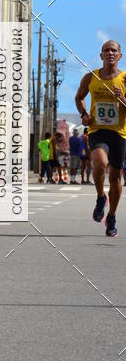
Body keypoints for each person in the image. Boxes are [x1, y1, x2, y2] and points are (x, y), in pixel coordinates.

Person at [75, 40, 126, 237]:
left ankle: (111, 216)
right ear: (101, 55)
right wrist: (84, 115)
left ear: (119, 55)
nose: (110, 53)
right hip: (97, 130)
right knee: (99, 164)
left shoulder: (124, 79)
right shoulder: (91, 77)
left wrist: (122, 98)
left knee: (115, 177)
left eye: (114, 50)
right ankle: (100, 197)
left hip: (119, 133)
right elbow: (79, 97)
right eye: (106, 50)